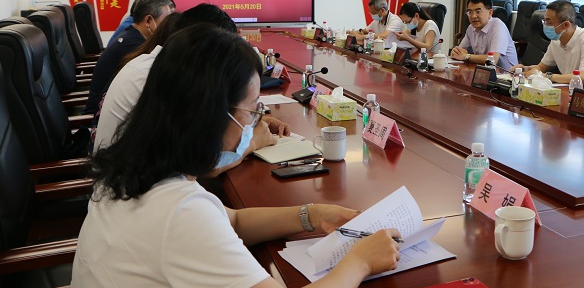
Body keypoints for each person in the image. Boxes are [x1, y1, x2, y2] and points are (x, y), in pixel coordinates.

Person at [72, 26, 400, 287]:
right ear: (212, 115)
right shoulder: (180, 212)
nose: (256, 122)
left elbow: (234, 222)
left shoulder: (133, 168)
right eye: (252, 110)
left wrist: (314, 214)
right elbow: (204, 222)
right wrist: (360, 261)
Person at [93, 4, 290, 170]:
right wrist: (252, 141)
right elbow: (202, 164)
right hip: (132, 188)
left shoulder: (160, 63)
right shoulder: (157, 77)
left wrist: (247, 122)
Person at [84, 0, 174, 114]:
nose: (169, 27)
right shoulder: (135, 46)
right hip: (97, 114)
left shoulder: (132, 35)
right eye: (166, 21)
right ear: (148, 20)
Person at [513, 0, 584, 89]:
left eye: (549, 22)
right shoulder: (556, 40)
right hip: (571, 91)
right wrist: (524, 69)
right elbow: (542, 67)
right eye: (544, 21)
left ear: (566, 25)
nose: (545, 25)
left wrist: (547, 76)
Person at [450, 0, 518, 70]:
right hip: (483, 72)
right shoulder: (471, 28)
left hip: (507, 74)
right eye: (470, 12)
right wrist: (455, 52)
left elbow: (492, 60)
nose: (473, 16)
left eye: (478, 12)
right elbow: (459, 52)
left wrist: (466, 56)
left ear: (490, 13)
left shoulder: (498, 26)